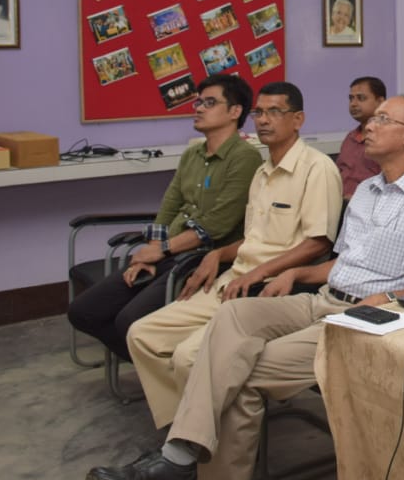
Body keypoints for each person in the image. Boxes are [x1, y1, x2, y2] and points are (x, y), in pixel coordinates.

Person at [85, 95, 404, 480]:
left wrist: (383, 299)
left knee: (240, 372)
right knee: (234, 316)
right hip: (322, 298)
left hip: (369, 319)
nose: (368, 124)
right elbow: (340, 264)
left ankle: (185, 467)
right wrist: (296, 272)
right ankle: (182, 461)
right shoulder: (368, 191)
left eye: (383, 118)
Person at [126, 81, 344, 430]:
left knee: (187, 357)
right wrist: (218, 253)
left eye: (275, 112)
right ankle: (182, 433)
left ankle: (201, 447)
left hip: (269, 287)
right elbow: (252, 238)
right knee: (142, 336)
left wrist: (256, 274)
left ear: (298, 119)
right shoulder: (261, 172)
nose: (264, 120)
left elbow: (316, 244)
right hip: (233, 278)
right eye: (259, 112)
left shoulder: (316, 169)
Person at [67, 75, 263, 361]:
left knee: (128, 322)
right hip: (168, 252)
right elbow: (169, 206)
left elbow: (216, 225)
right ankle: (158, 369)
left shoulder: (244, 157)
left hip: (199, 258)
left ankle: (172, 374)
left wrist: (162, 250)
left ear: (235, 112)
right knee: (82, 311)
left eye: (210, 102)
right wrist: (151, 252)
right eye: (198, 101)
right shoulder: (192, 154)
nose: (198, 108)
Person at [335, 76, 384, 199]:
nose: (353, 104)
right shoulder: (350, 138)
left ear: (380, 101)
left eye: (361, 98)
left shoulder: (387, 139)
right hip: (342, 206)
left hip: (371, 209)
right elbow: (339, 174)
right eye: (351, 99)